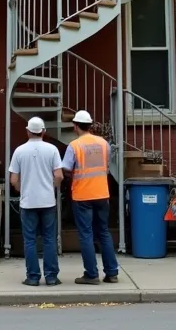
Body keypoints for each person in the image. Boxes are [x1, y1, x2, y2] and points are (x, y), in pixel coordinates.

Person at [61, 110, 120, 284]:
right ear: (91, 125)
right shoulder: (104, 144)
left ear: (75, 126)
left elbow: (65, 168)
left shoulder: (74, 145)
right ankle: (112, 273)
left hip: (82, 196)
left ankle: (91, 274)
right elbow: (106, 165)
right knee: (103, 232)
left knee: (86, 234)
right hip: (102, 193)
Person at [8, 116, 64, 286]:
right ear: (44, 132)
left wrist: (20, 189)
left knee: (30, 240)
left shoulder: (19, 151)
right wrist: (51, 187)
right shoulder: (52, 149)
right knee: (49, 239)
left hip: (28, 202)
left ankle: (33, 277)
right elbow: (59, 176)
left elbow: (13, 180)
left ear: (27, 132)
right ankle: (51, 276)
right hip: (47, 201)